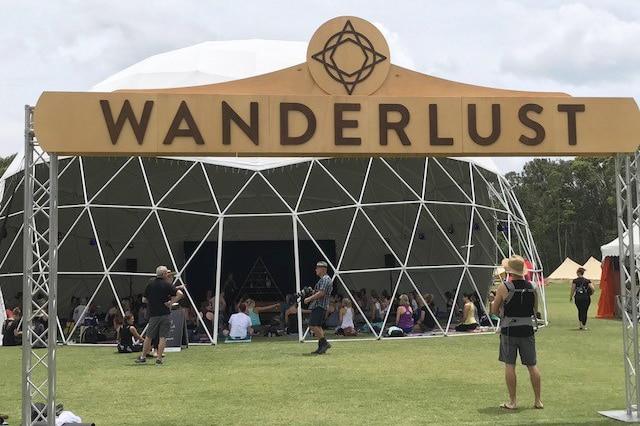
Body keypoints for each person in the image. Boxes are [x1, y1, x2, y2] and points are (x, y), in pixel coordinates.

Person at [492, 254, 543, 410]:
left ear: (509, 271)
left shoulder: (504, 287)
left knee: (510, 365)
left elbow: (494, 311)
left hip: (509, 330)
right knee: (532, 365)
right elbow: (535, 309)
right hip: (527, 329)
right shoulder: (532, 287)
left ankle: (512, 401)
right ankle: (538, 400)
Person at [135, 265, 183, 365]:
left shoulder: (151, 284)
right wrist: (171, 302)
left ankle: (143, 357)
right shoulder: (167, 285)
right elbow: (180, 294)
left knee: (149, 336)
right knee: (163, 337)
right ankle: (159, 359)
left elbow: (144, 299)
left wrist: (152, 301)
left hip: (154, 314)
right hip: (165, 314)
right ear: (165, 274)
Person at [304, 260, 333, 354]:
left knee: (312, 324)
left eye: (317, 268)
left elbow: (321, 293)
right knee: (318, 326)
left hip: (319, 305)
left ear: (322, 269)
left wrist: (309, 298)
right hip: (321, 305)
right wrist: (312, 292)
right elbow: (319, 292)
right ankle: (321, 347)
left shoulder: (325, 279)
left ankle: (324, 343)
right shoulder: (325, 279)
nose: (315, 270)